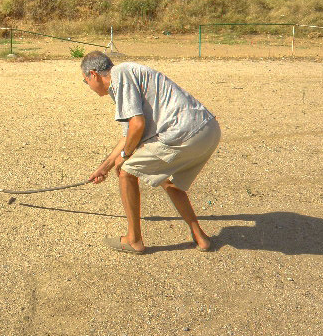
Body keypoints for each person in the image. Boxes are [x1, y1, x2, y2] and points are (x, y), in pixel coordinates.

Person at [81, 51, 221, 254]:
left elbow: (137, 126)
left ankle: (133, 240)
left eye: (86, 81)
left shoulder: (120, 74)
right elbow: (128, 134)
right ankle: (201, 237)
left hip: (183, 132)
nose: (89, 86)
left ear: (93, 74)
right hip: (207, 130)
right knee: (167, 178)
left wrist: (124, 158)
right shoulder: (124, 80)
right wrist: (104, 167)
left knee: (126, 172)